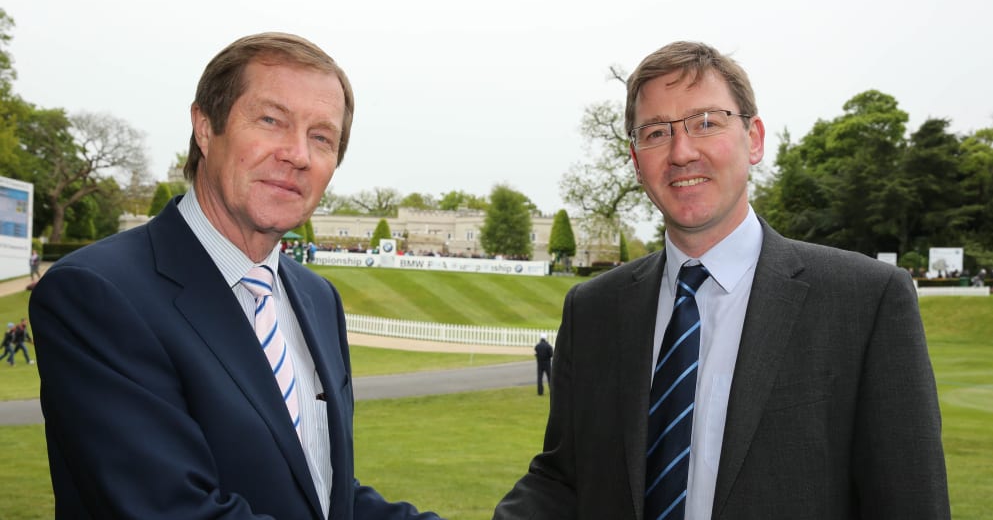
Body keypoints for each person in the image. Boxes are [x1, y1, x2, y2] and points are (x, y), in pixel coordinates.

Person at [494, 41, 949, 519]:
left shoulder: (865, 301)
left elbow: (910, 502)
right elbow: (563, 478)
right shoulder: (592, 310)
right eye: (655, 132)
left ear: (753, 139)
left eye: (705, 123)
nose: (681, 152)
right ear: (635, 159)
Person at [30, 32, 442, 520]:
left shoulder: (316, 297)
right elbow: (172, 510)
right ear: (205, 127)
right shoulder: (97, 293)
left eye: (322, 137)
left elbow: (323, 492)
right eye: (271, 120)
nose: (297, 154)